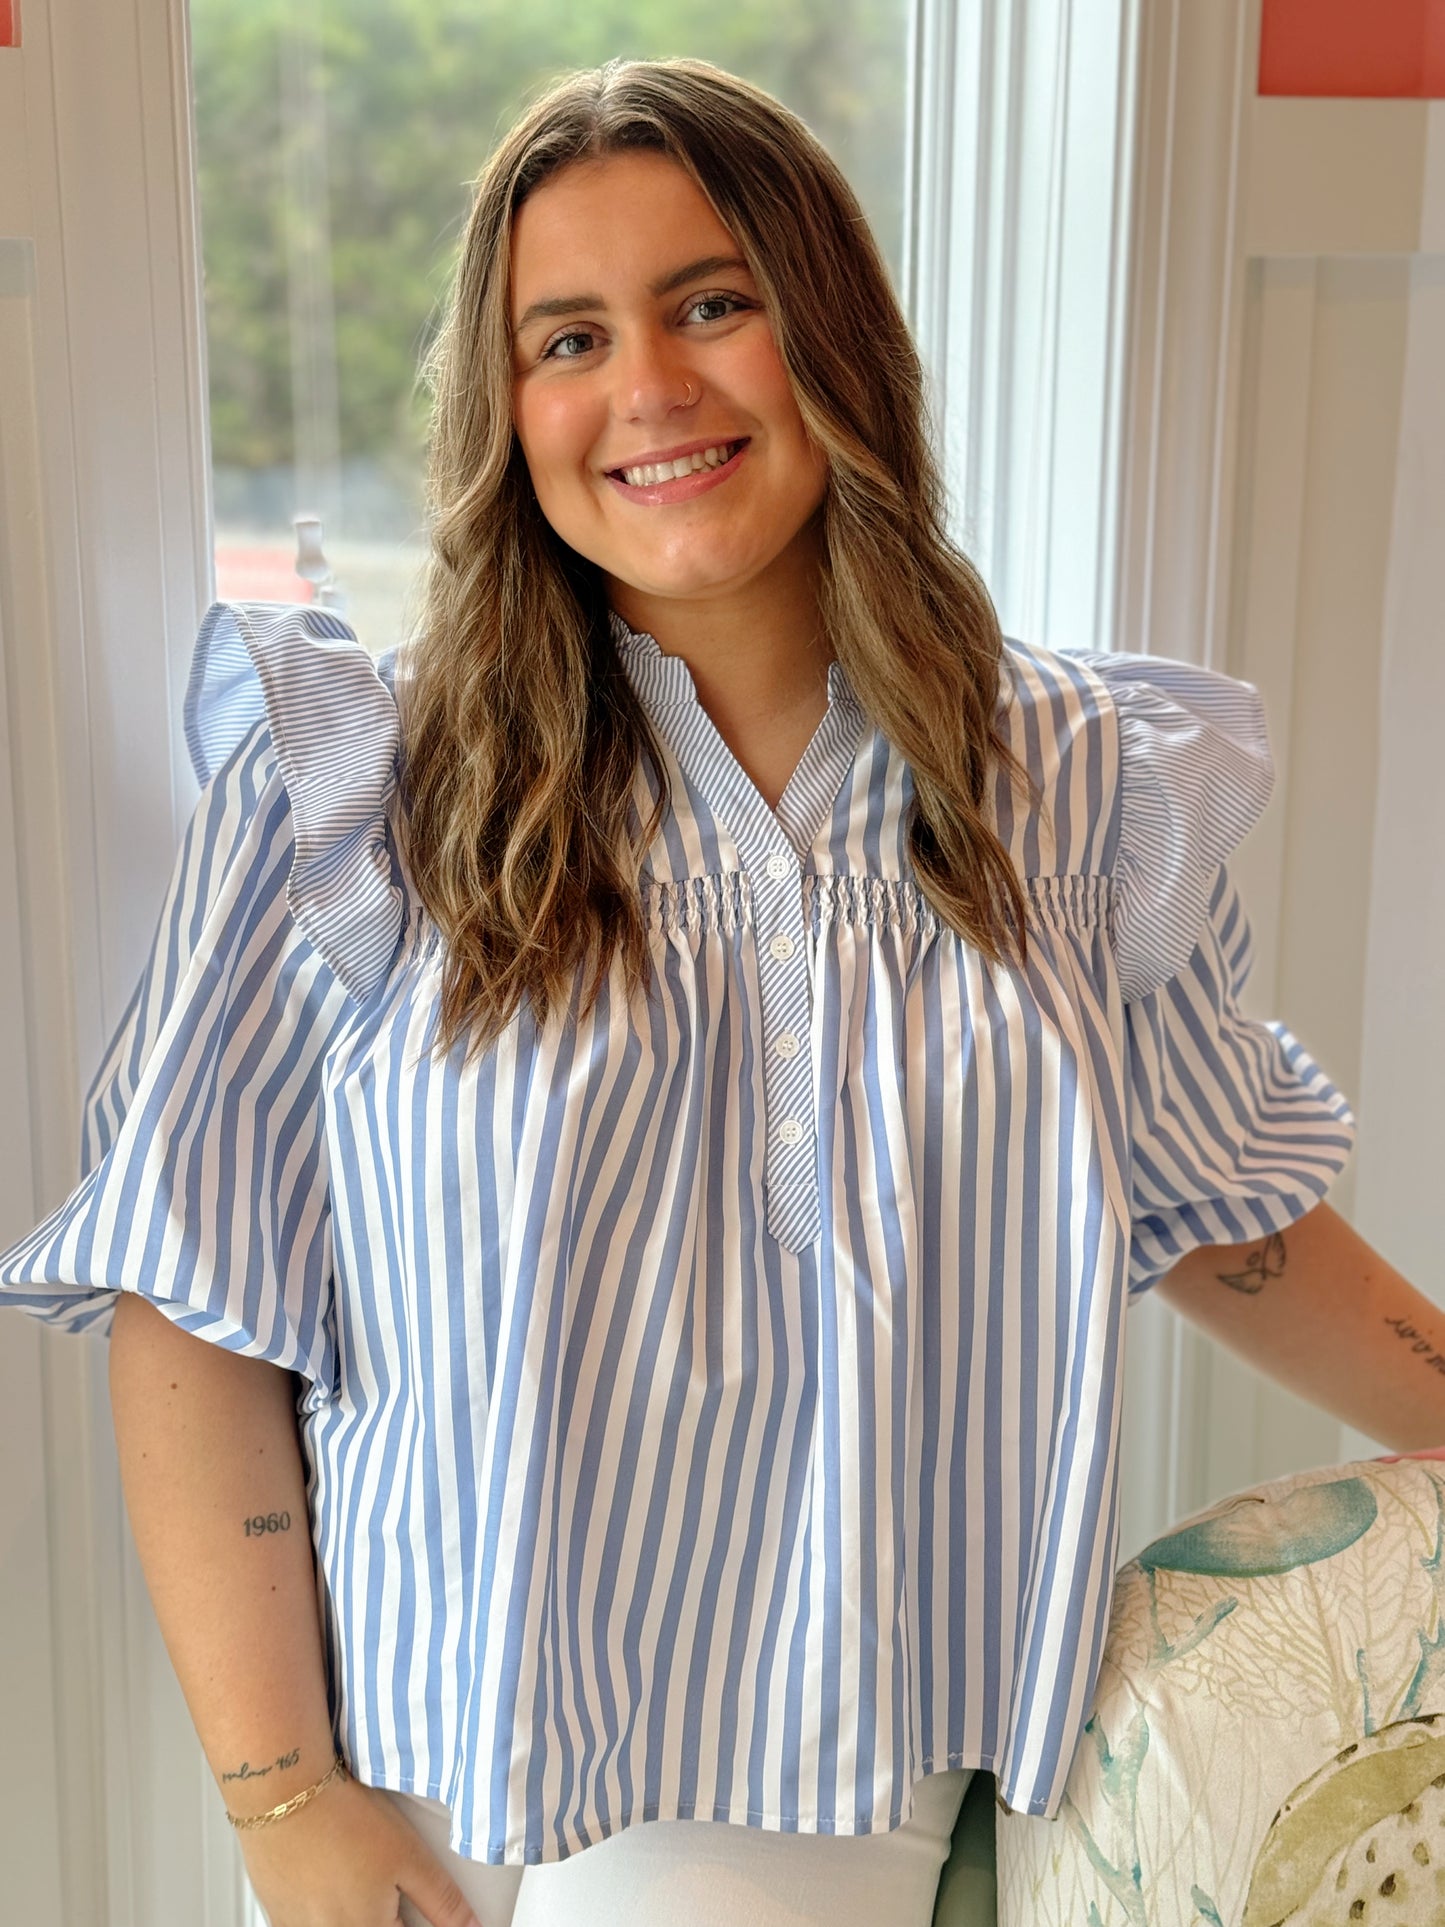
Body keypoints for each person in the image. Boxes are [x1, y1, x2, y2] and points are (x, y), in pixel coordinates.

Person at [0, 53, 1438, 1927]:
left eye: (710, 304)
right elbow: (197, 1303)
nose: (649, 390)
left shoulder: (1074, 783)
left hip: (803, 1765)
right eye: (568, 337)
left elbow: (1217, 1213)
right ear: (508, 406)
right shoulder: (361, 787)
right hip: (402, 1756)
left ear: (823, 334)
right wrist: (285, 1805)